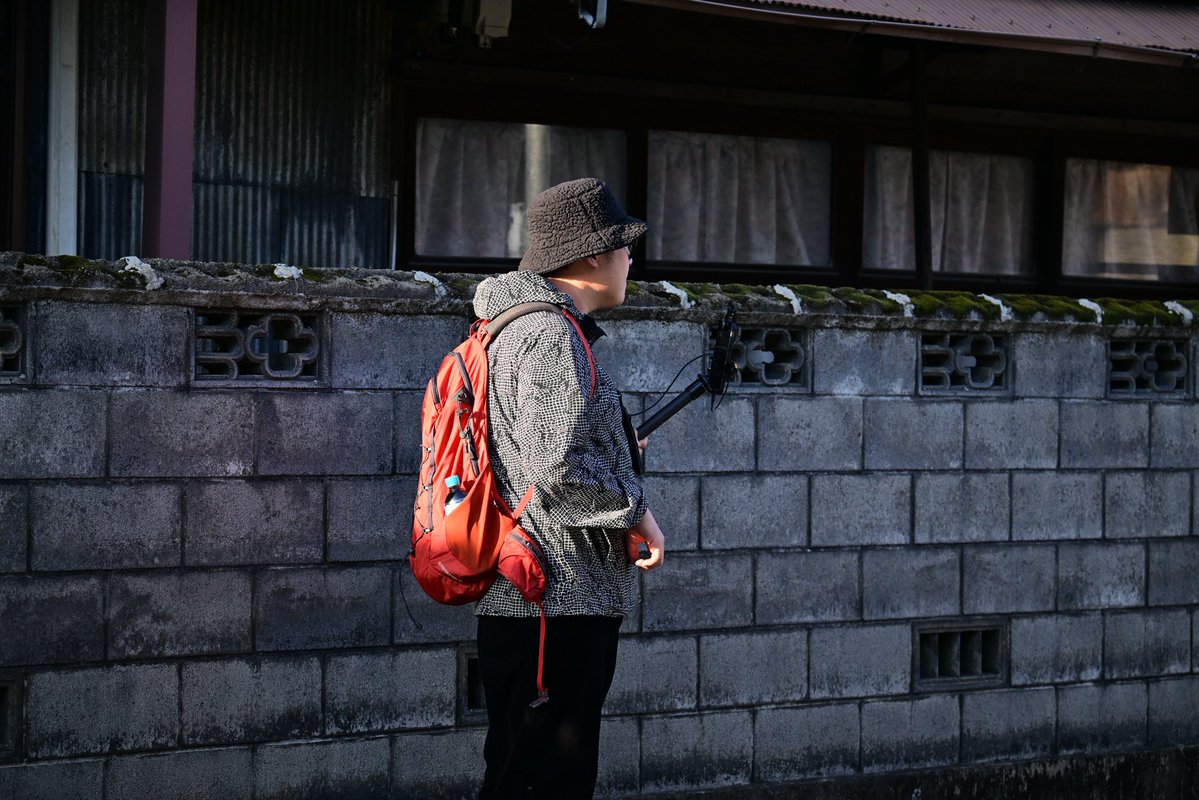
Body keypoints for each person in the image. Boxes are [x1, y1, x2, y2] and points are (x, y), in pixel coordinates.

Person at [472, 177, 666, 800]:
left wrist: (614, 450)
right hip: (557, 594)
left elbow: (537, 450)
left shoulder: (512, 328)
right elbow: (555, 471)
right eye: (623, 246)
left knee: (517, 771)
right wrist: (635, 513)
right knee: (548, 778)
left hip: (531, 592)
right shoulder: (552, 336)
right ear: (590, 257)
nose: (631, 259)